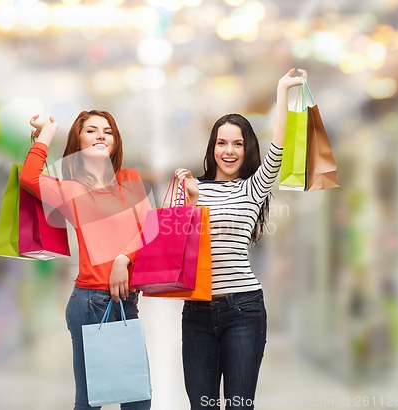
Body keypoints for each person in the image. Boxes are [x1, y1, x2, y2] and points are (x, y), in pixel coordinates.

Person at [174, 68, 308, 409]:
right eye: (222, 143)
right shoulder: (194, 187)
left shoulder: (253, 187)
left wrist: (283, 91)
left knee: (238, 405)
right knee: (202, 406)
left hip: (244, 309)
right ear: (212, 146)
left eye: (238, 143)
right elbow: (178, 244)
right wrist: (187, 199)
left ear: (247, 148)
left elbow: (278, 147)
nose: (229, 151)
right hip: (197, 311)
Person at [19, 110, 152, 410]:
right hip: (90, 303)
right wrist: (47, 131)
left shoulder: (130, 179)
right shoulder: (72, 190)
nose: (101, 135)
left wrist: (123, 258)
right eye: (91, 130)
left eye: (108, 130)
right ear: (78, 143)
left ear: (116, 142)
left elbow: (150, 230)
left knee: (138, 400)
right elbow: (29, 177)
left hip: (127, 302)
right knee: (91, 402)